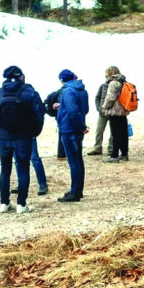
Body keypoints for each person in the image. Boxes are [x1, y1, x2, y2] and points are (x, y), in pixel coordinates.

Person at [0, 65, 45, 214]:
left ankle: (4, 203)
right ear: (21, 77)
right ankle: (21, 204)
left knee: (5, 169)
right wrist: (33, 132)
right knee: (23, 169)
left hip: (3, 138)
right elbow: (39, 116)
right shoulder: (30, 92)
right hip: (23, 137)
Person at [53, 69, 89, 202]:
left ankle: (75, 192)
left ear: (62, 80)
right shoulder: (81, 89)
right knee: (78, 159)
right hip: (77, 128)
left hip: (69, 129)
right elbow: (84, 109)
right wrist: (61, 106)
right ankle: (77, 189)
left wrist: (80, 126)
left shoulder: (68, 91)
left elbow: (73, 111)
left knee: (73, 161)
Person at [102, 68, 131, 163]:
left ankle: (114, 156)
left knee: (115, 134)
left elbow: (110, 97)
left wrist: (104, 107)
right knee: (123, 134)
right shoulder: (123, 82)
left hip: (115, 111)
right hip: (123, 111)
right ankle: (124, 154)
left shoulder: (113, 83)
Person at [87, 67, 117, 156]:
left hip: (113, 112)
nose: (105, 76)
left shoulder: (118, 85)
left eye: (106, 74)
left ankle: (111, 149)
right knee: (99, 130)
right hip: (103, 112)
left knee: (113, 132)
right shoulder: (103, 86)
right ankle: (97, 148)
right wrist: (98, 108)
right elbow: (97, 97)